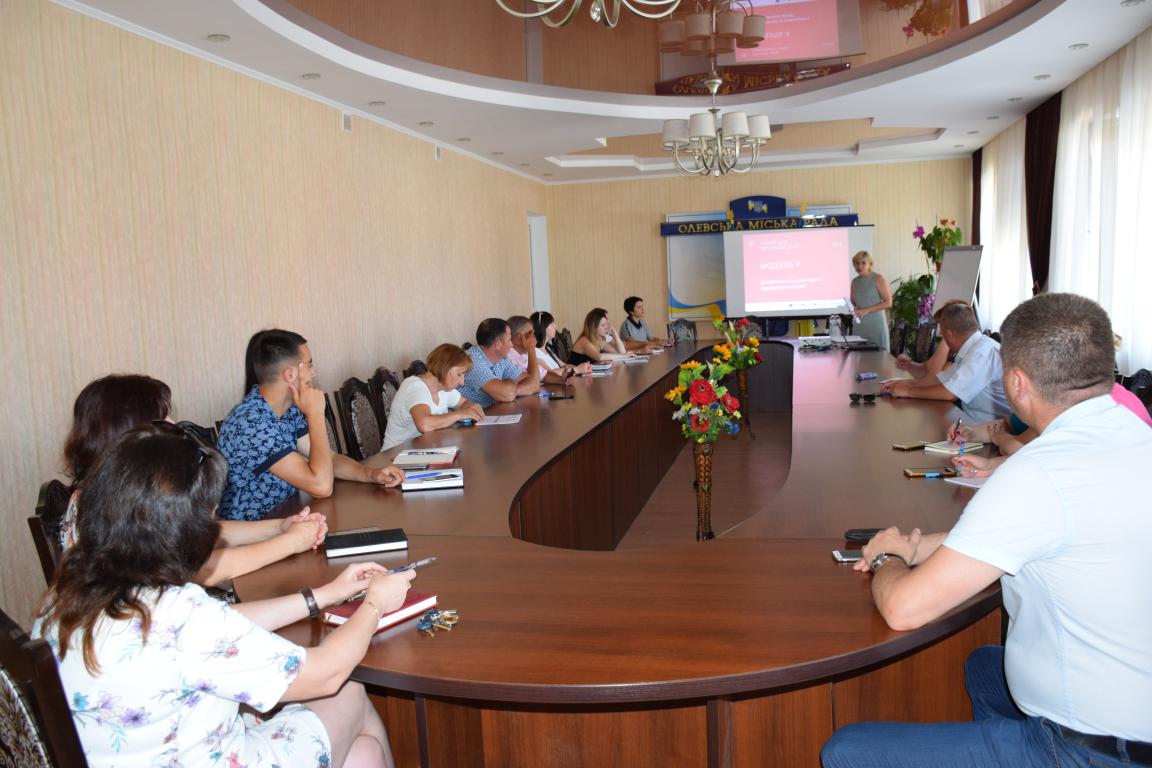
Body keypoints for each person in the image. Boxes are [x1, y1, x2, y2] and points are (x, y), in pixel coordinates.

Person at [821, 293, 1152, 768]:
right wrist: (917, 546)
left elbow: (903, 609)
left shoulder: (1036, 473)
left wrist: (889, 557)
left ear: (1016, 383)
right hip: (1134, 708)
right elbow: (1029, 533)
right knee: (983, 668)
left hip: (1088, 749)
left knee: (845, 751)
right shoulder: (1133, 435)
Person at [34, 424, 416, 767]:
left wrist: (324, 594)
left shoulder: (66, 592)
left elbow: (223, 628)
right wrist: (374, 604)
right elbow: (326, 674)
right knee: (349, 692)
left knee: (363, 754)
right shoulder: (181, 613)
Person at [59, 374, 327, 587]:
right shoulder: (116, 502)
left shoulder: (103, 488)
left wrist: (280, 527)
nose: (173, 423)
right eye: (162, 417)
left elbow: (196, 532)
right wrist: (290, 543)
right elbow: (203, 569)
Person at [217, 329, 404, 521]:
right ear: (290, 374)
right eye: (309, 365)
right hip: (257, 530)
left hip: (290, 517)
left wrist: (370, 474)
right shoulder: (250, 422)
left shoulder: (288, 409)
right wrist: (315, 414)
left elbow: (329, 458)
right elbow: (321, 486)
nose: (314, 372)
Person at [880, 303, 1010, 423]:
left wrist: (908, 391)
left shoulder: (981, 353)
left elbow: (950, 394)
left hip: (995, 429)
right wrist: (899, 384)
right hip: (975, 422)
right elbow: (940, 381)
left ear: (949, 334)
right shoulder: (972, 348)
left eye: (942, 334)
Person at [381, 343, 484, 450]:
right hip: (396, 454)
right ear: (444, 369)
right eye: (459, 374)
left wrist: (473, 408)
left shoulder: (444, 387)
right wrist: (459, 415)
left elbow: (464, 403)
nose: (462, 382)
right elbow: (424, 424)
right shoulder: (415, 387)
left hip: (423, 450)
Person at [457, 318, 539, 407]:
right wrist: (510, 385)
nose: (511, 345)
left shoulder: (501, 359)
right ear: (498, 345)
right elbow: (507, 395)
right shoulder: (473, 361)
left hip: (490, 411)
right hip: (473, 414)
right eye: (509, 340)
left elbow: (534, 383)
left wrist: (513, 389)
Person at [506, 315, 574, 386]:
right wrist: (531, 348)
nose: (534, 337)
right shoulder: (508, 357)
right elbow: (533, 381)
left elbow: (544, 375)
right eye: (531, 333)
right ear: (519, 337)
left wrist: (562, 379)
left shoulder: (523, 356)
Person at [849, 252, 892, 351]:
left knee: (879, 357)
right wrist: (853, 307)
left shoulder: (878, 278)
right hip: (859, 326)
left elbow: (888, 302)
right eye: (857, 263)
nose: (859, 266)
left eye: (863, 263)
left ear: (870, 264)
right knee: (860, 357)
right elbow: (854, 303)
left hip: (876, 325)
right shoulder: (854, 282)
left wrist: (867, 310)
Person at [530, 310, 592, 375]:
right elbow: (550, 374)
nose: (555, 327)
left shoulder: (548, 349)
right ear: (542, 328)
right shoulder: (535, 353)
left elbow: (564, 365)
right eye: (552, 324)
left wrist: (582, 367)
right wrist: (577, 369)